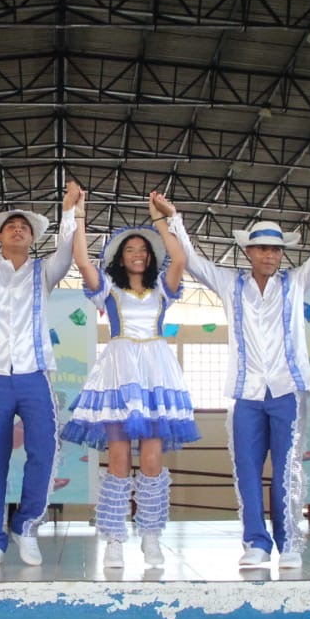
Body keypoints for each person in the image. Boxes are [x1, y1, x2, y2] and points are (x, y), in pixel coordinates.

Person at [167, 183, 310, 568]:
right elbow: (191, 258)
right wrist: (172, 219)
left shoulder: (297, 281)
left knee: (287, 469)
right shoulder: (229, 283)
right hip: (246, 393)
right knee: (247, 470)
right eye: (262, 248)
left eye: (276, 249)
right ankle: (256, 542)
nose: (270, 255)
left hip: (288, 390)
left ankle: (289, 543)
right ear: (248, 252)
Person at [60, 192, 195, 568]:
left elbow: (180, 257)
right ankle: (114, 538)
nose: (137, 254)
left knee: (151, 460)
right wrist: (80, 214)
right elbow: (82, 260)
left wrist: (160, 220)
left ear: (150, 256)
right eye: (130, 250)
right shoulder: (110, 289)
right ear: (120, 258)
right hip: (119, 373)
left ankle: (151, 536)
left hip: (155, 374)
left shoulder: (164, 288)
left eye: (143, 249)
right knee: (118, 459)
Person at [0, 183, 81, 568]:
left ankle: (26, 526)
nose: (17, 229)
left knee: (45, 449)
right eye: (10, 225)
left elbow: (66, 252)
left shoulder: (45, 272)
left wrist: (69, 210)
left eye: (24, 226)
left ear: (32, 237)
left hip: (35, 373)